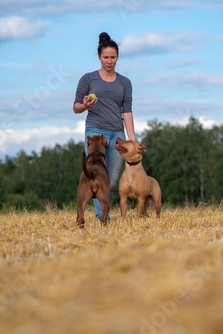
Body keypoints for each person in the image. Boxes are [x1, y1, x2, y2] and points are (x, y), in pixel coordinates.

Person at [73, 32, 136, 220]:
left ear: (118, 57)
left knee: (112, 179)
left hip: (117, 132)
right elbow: (76, 107)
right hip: (95, 133)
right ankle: (103, 218)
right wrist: (85, 106)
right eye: (106, 57)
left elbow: (127, 111)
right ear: (99, 56)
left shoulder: (125, 82)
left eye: (113, 57)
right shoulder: (88, 79)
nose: (109, 61)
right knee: (93, 175)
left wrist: (131, 138)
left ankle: (103, 214)